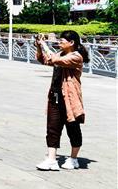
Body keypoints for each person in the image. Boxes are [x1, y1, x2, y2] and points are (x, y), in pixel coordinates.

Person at [34, 31, 89, 171]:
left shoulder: (76, 57)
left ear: (71, 43)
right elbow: (45, 60)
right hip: (55, 96)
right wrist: (39, 46)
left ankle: (73, 159)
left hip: (69, 98)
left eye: (62, 41)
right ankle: (51, 160)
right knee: (52, 128)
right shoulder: (60, 54)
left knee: (73, 128)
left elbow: (54, 59)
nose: (59, 42)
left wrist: (44, 44)